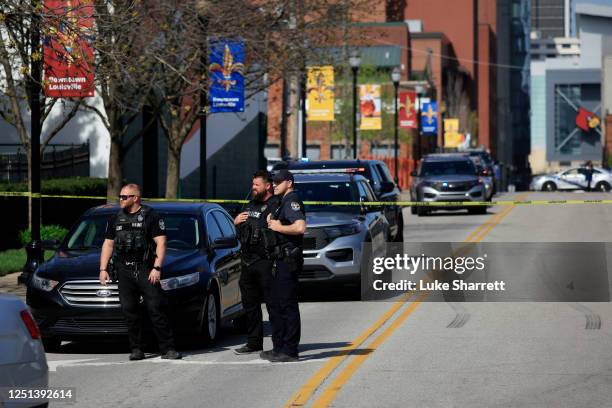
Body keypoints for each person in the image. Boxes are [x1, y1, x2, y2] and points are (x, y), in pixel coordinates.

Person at [99, 183, 182, 361]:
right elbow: (108, 244)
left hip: (146, 268)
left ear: (135, 198)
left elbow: (161, 242)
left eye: (124, 197)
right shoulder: (115, 218)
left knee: (155, 308)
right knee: (129, 310)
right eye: (120, 196)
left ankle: (167, 349)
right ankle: (136, 348)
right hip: (123, 269)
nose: (120, 199)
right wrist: (103, 269)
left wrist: (157, 267)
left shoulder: (151, 216)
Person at [260, 169, 306, 363]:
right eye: (273, 182)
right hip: (278, 260)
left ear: (289, 183)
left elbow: (300, 227)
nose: (274, 185)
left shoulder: (291, 200)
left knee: (287, 305)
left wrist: (279, 227)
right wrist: (273, 221)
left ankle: (290, 350)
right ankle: (279, 347)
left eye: (278, 182)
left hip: (288, 261)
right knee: (277, 304)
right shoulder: (281, 202)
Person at [233, 171, 281, 355]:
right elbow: (241, 232)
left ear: (267, 186)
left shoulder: (275, 205)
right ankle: (254, 342)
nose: (253, 188)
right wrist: (236, 222)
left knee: (272, 304)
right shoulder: (250, 204)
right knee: (250, 305)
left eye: (256, 185)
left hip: (266, 261)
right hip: (247, 260)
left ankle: (279, 343)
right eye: (252, 185)